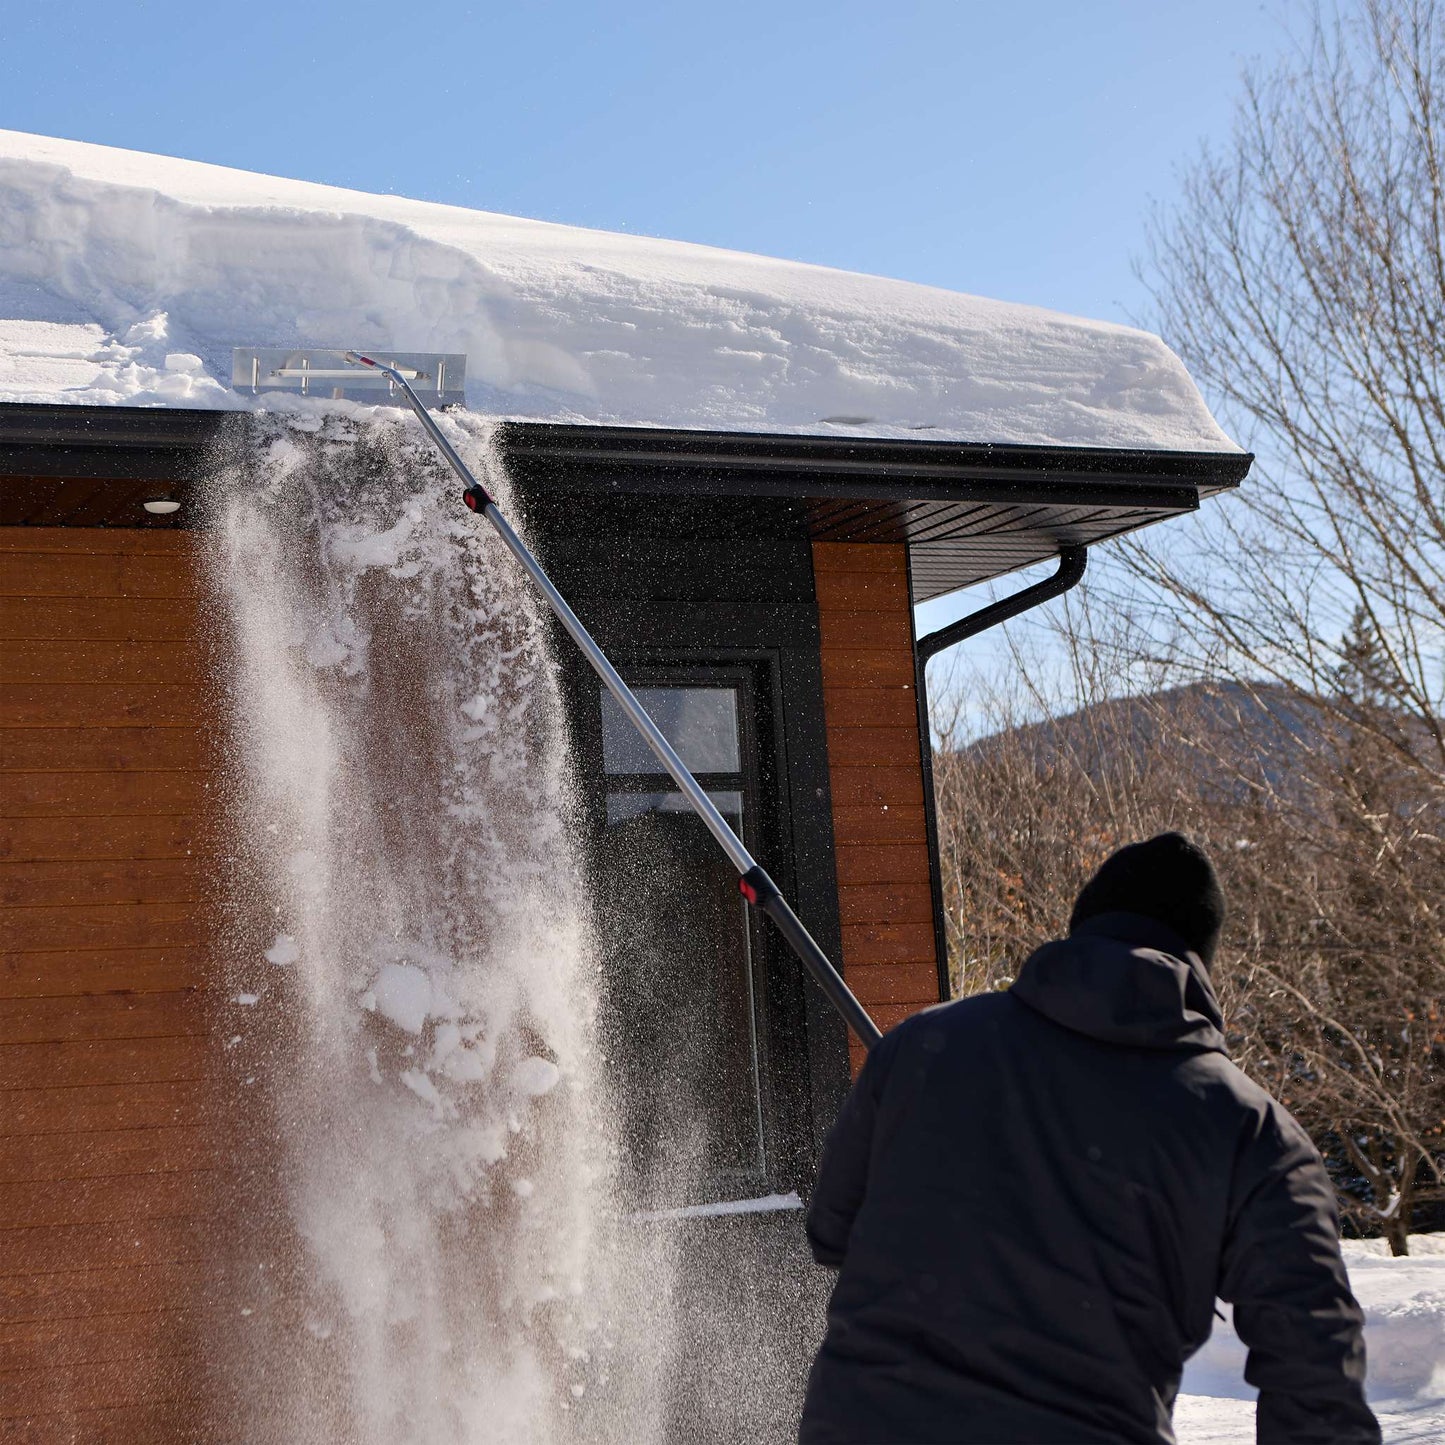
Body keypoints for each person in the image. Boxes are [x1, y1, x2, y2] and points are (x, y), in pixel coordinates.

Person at [799, 833, 1380, 1444]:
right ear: (1202, 960)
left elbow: (832, 1230)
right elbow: (1316, 1370)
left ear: (1080, 931)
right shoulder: (1252, 1131)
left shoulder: (921, 1047)